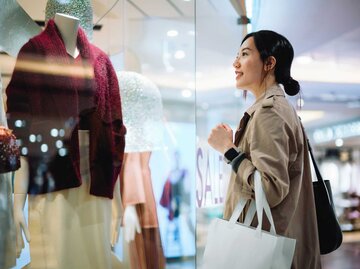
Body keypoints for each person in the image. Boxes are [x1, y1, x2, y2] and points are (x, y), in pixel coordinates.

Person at [207, 30, 322, 269]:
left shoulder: (269, 112)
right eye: (236, 55)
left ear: (269, 63)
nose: (235, 63)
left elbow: (269, 189)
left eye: (245, 54)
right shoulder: (277, 108)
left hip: (266, 247)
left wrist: (228, 150)